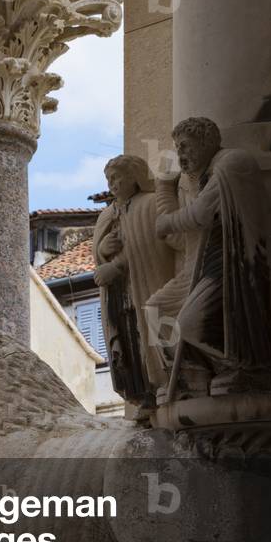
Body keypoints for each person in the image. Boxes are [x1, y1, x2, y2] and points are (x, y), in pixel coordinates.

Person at [152, 117, 271, 398]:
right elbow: (182, 239)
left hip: (236, 261)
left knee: (188, 323)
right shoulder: (196, 180)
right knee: (155, 310)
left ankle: (248, 367)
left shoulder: (231, 163)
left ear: (207, 141)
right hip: (203, 263)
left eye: (185, 146)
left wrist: (167, 222)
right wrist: (164, 187)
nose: (180, 154)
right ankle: (191, 373)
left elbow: (199, 215)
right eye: (176, 148)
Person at [93, 155, 176, 413]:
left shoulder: (150, 205)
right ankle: (141, 393)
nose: (113, 184)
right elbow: (99, 251)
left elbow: (150, 244)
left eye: (117, 177)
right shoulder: (107, 215)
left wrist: (115, 266)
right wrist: (102, 250)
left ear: (135, 176)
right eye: (109, 179)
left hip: (145, 283)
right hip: (120, 294)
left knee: (147, 334)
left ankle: (161, 383)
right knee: (128, 338)